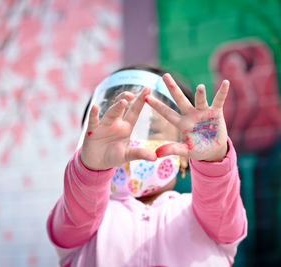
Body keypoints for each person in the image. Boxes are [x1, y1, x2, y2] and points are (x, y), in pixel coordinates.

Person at [47, 65, 247, 267]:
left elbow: (220, 206)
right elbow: (75, 214)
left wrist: (212, 159)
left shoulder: (209, 218)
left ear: (185, 152)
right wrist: (91, 169)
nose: (130, 146)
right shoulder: (81, 221)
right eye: (117, 135)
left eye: (151, 132)